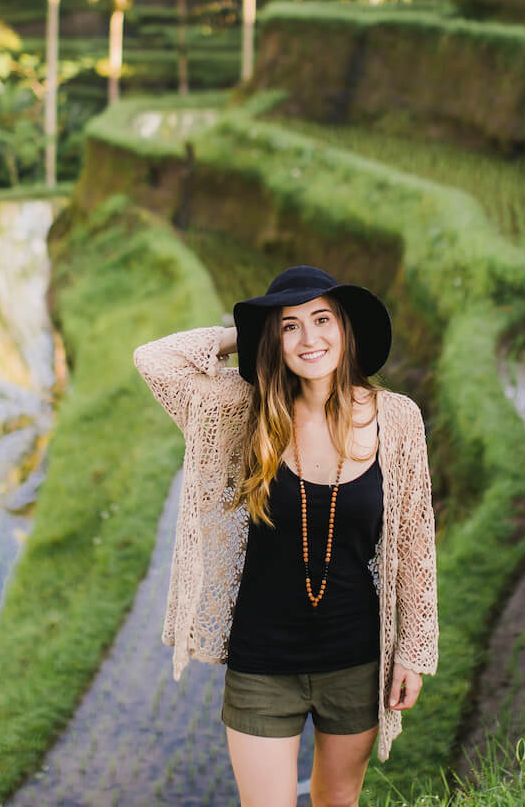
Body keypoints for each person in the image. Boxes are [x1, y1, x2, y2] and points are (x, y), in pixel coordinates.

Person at [132, 264, 439, 807]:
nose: (309, 338)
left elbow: (415, 541)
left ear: (346, 329)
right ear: (273, 340)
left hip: (356, 658)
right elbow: (154, 361)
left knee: (337, 801)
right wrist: (240, 335)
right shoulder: (241, 410)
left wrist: (412, 653)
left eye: (321, 319)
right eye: (289, 326)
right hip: (262, 662)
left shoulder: (397, 419)